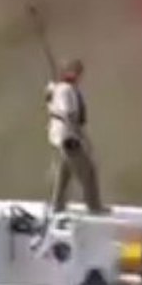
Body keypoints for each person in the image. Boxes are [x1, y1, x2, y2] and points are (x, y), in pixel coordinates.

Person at [46, 58, 108, 215]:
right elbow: (69, 114)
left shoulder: (56, 88)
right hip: (68, 136)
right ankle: (94, 206)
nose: (79, 76)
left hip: (58, 135)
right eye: (77, 72)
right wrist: (81, 137)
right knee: (88, 171)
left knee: (64, 172)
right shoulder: (66, 90)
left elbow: (50, 102)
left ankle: (57, 204)